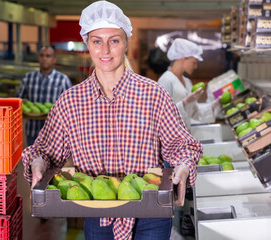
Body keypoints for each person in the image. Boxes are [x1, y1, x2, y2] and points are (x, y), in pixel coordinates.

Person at [22, 1, 202, 240]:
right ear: (87, 44)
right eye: (97, 41)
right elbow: (45, 151)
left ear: (126, 42)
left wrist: (183, 165)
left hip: (150, 211)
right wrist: (37, 163)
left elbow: (181, 145)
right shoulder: (71, 102)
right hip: (98, 210)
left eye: (114, 40)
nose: (105, 50)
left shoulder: (153, 94)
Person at [158, 38, 220, 129]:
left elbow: (194, 112)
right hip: (170, 135)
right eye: (194, 62)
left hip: (184, 133)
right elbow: (161, 114)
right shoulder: (165, 80)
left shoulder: (187, 81)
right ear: (183, 58)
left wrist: (214, 105)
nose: (196, 67)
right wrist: (184, 103)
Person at [17, 45, 72, 145]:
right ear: (38, 58)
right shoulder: (28, 78)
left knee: (52, 161)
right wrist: (24, 105)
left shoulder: (63, 80)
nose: (44, 58)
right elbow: (19, 100)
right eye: (42, 55)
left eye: (48, 56)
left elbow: (70, 106)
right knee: (34, 160)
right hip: (32, 131)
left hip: (54, 134)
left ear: (54, 59)